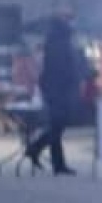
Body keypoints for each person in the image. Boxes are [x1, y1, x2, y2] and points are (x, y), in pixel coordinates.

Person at [26, 12, 85, 175]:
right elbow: (63, 67)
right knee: (58, 125)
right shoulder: (60, 41)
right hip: (59, 89)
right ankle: (49, 157)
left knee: (57, 126)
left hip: (55, 88)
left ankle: (42, 152)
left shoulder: (57, 39)